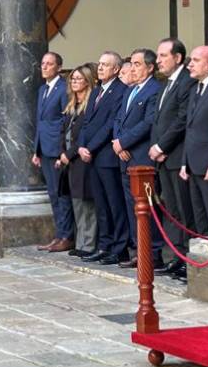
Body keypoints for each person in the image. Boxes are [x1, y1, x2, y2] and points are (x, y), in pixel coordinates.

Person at [112, 48, 160, 267]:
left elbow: (148, 123)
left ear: (150, 67)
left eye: (138, 64)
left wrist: (124, 142)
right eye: (131, 63)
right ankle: (138, 251)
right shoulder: (130, 90)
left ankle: (153, 254)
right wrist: (117, 142)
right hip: (125, 157)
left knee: (147, 208)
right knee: (132, 207)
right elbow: (119, 118)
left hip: (141, 157)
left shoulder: (154, 89)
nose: (132, 68)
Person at [79, 52, 128, 265]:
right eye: (99, 64)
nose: (100, 68)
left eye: (105, 65)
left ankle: (119, 248)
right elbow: (87, 121)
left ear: (116, 69)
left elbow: (110, 125)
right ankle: (104, 245)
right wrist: (81, 145)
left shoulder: (121, 91)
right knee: (101, 204)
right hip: (91, 156)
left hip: (106, 156)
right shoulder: (97, 90)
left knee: (114, 203)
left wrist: (90, 147)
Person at [148, 38, 191, 274]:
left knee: (183, 210)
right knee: (171, 209)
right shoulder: (165, 84)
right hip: (162, 158)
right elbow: (159, 120)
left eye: (163, 55)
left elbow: (182, 119)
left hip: (176, 155)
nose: (158, 61)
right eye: (158, 55)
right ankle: (176, 256)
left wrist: (162, 146)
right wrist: (155, 147)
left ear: (177, 58)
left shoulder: (186, 82)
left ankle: (187, 257)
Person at [32, 52, 74, 252]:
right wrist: (36, 150)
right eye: (43, 63)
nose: (45, 67)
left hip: (57, 149)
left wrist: (61, 151)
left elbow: (64, 121)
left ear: (58, 67)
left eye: (49, 64)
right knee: (52, 194)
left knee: (61, 194)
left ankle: (66, 235)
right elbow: (41, 122)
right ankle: (59, 234)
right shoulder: (42, 89)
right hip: (45, 149)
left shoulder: (63, 88)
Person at [180, 46, 208, 246]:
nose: (190, 64)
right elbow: (190, 127)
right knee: (199, 218)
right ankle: (205, 259)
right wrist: (184, 162)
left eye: (196, 60)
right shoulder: (196, 88)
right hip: (193, 165)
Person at [59, 64, 97, 258]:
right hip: (70, 163)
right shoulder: (71, 105)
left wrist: (70, 153)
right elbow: (63, 132)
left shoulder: (90, 105)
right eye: (72, 78)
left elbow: (85, 133)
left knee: (87, 204)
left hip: (82, 160)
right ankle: (80, 241)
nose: (74, 81)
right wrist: (62, 153)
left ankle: (88, 244)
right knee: (76, 203)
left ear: (88, 81)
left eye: (78, 78)